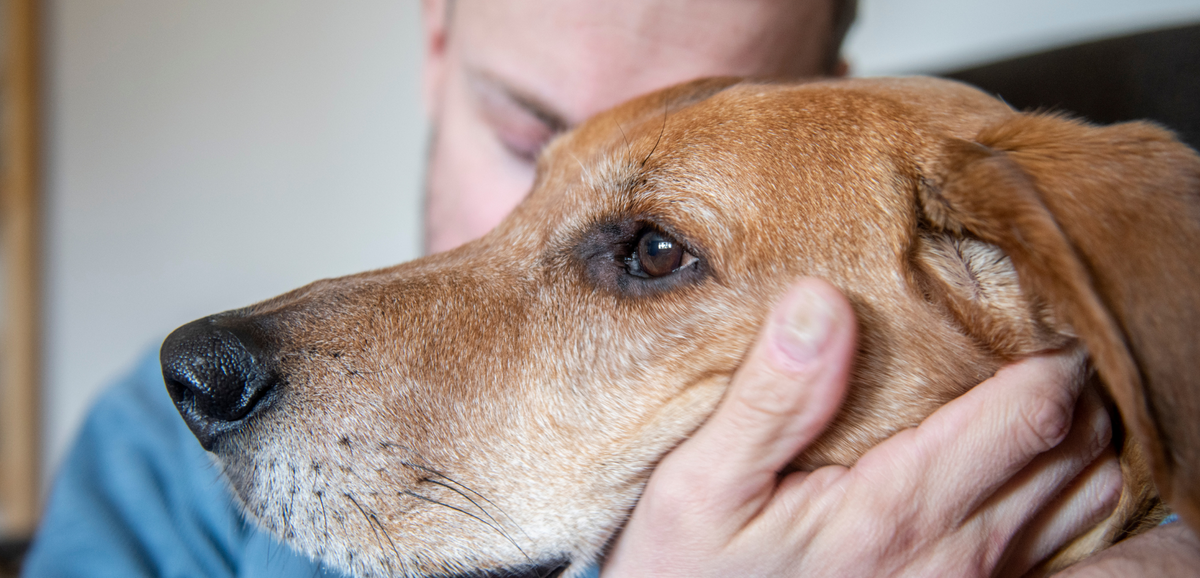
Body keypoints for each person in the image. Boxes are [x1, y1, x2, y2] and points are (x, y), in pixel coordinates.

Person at [22, 1, 1200, 576]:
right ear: (437, 40)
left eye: (646, 251)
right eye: (527, 138)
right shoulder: (156, 476)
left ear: (813, 89)